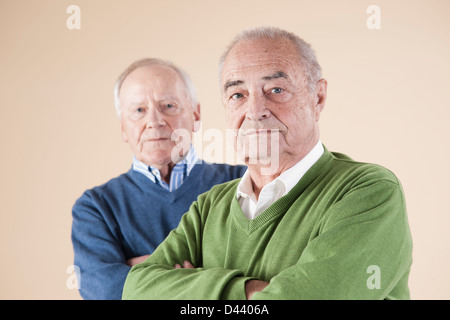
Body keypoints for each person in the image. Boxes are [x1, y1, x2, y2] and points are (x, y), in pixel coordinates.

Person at [122, 27, 413, 300]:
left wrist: (195, 289)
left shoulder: (368, 191)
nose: (255, 110)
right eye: (238, 94)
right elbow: (136, 289)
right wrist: (250, 290)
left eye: (276, 90)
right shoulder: (209, 207)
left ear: (318, 97)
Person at [71, 58, 246, 300]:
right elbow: (106, 291)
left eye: (169, 106)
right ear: (123, 127)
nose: (154, 121)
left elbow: (265, 273)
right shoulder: (96, 207)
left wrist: (143, 274)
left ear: (196, 115)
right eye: (139, 110)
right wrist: (212, 278)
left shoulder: (243, 182)